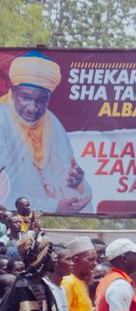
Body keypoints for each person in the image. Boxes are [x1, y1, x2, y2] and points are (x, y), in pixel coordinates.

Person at [0, 51, 91, 213]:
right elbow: (3, 194)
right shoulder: (2, 120)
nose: (33, 107)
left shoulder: (52, 124)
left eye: (42, 100)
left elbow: (62, 179)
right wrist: (53, 207)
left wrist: (77, 184)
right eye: (26, 97)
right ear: (13, 92)